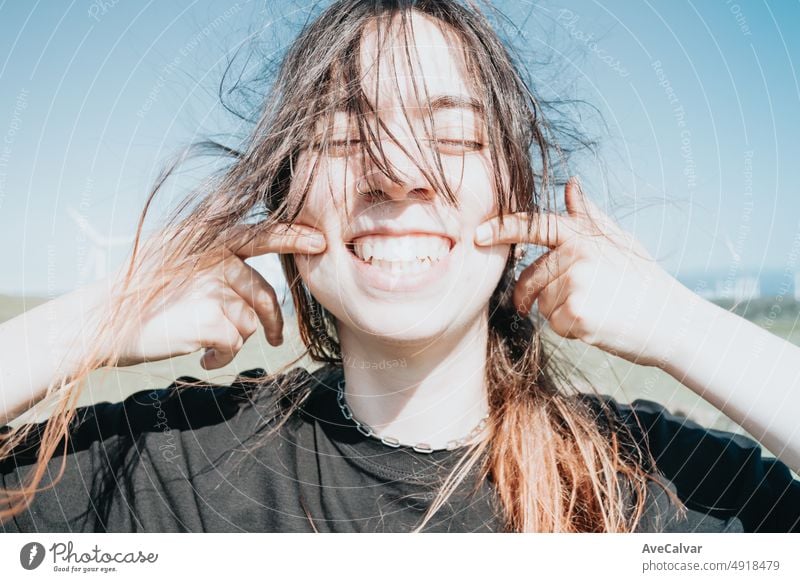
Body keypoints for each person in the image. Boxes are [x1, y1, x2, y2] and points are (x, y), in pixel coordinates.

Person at [1, 0, 798, 533]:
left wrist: (684, 329)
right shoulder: (165, 465)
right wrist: (100, 320)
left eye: (453, 136)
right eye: (347, 137)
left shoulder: (642, 484)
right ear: (285, 201)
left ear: (516, 194)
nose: (400, 173)